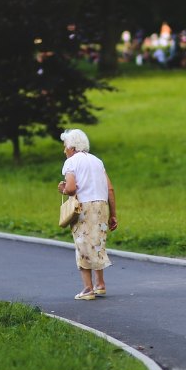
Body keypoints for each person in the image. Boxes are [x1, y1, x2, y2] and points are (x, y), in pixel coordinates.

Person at [57, 129, 118, 301]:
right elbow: (110, 189)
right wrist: (113, 214)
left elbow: (70, 188)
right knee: (97, 243)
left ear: (72, 147)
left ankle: (87, 289)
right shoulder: (97, 161)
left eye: (65, 147)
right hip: (101, 206)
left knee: (83, 245)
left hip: (84, 208)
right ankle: (100, 285)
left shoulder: (71, 163)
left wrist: (63, 189)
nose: (64, 151)